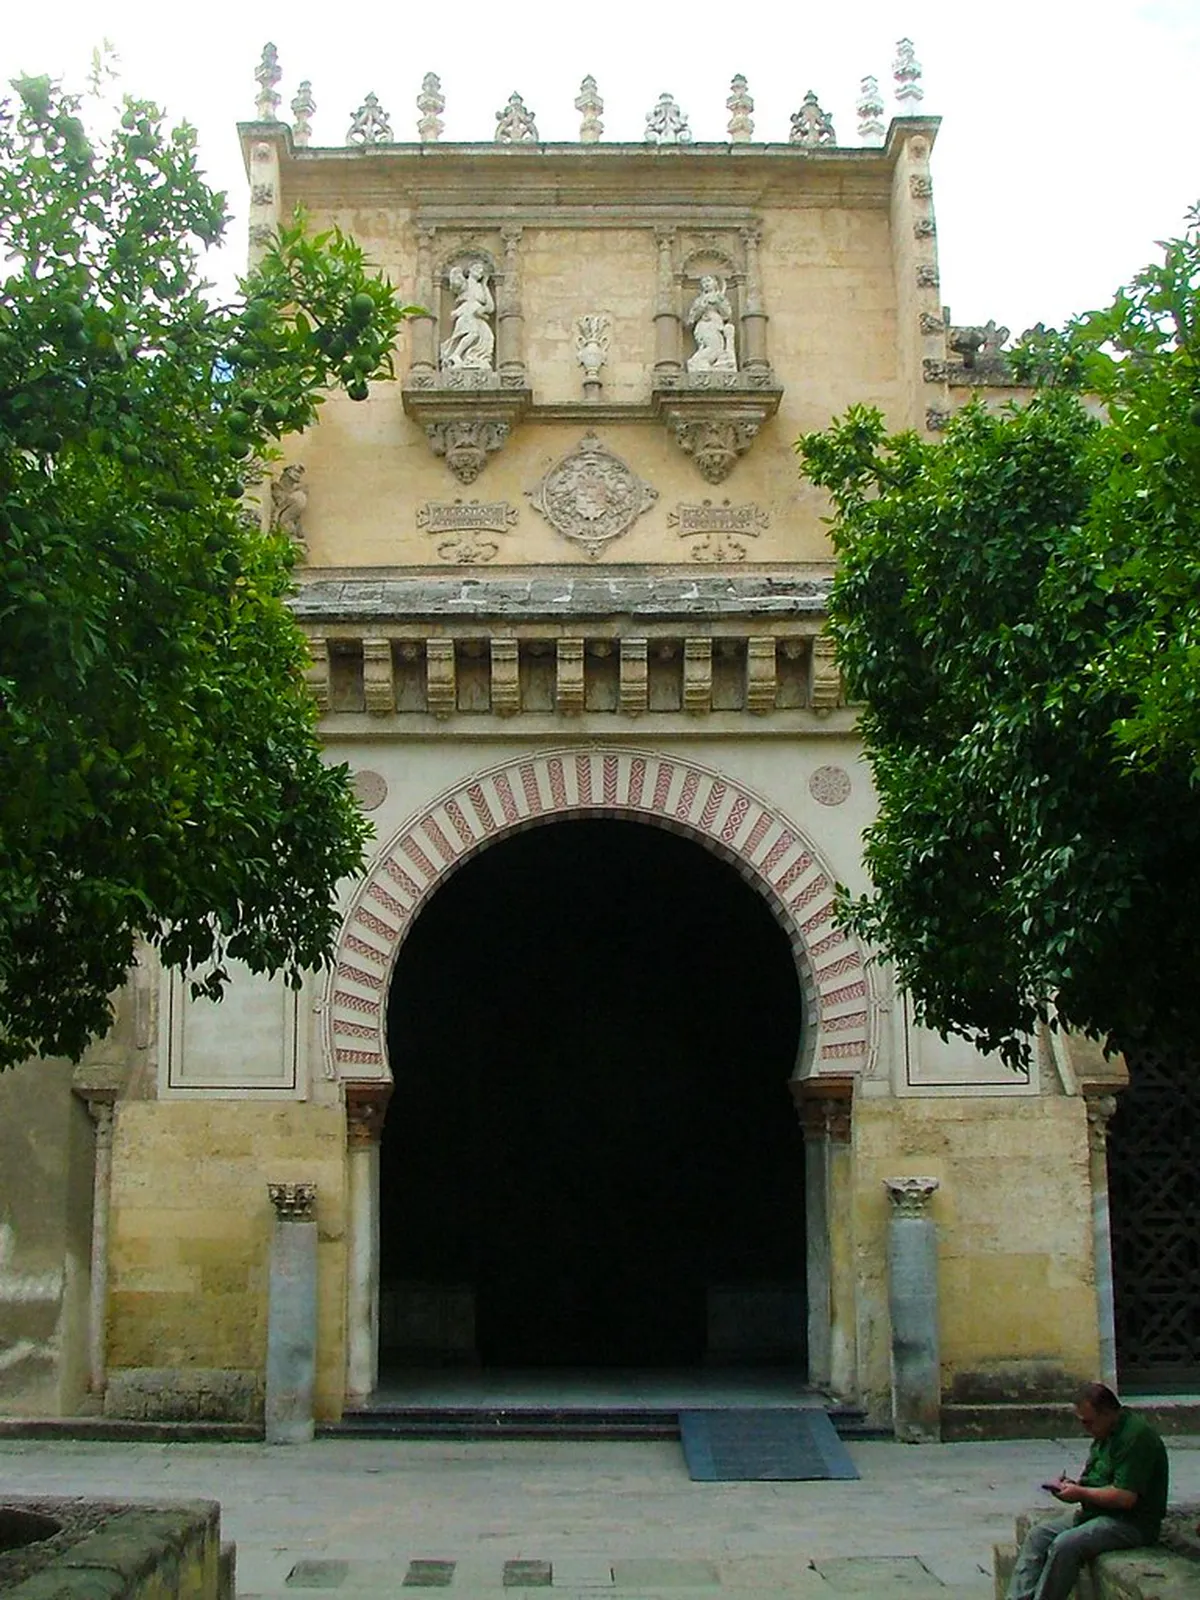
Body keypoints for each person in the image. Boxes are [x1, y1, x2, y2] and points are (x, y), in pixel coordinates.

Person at [1007, 1382, 1169, 1600]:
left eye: (1089, 1422)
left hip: (1130, 1522)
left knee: (1065, 1546)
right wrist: (1071, 1487)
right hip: (1096, 1512)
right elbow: (1096, 1482)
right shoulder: (1104, 1435)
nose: (1085, 1428)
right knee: (1038, 1535)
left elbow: (1125, 1497)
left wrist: (1080, 1493)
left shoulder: (1136, 1437)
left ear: (1108, 1413)